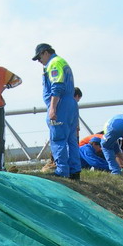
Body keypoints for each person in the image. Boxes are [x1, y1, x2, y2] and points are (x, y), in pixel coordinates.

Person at [32, 43, 80, 179]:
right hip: (70, 103)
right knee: (71, 139)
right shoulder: (62, 62)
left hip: (61, 104)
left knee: (58, 138)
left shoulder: (54, 63)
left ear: (45, 52)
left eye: (39, 57)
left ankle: (62, 171)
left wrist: (52, 108)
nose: (39, 61)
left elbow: (57, 86)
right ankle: (75, 170)